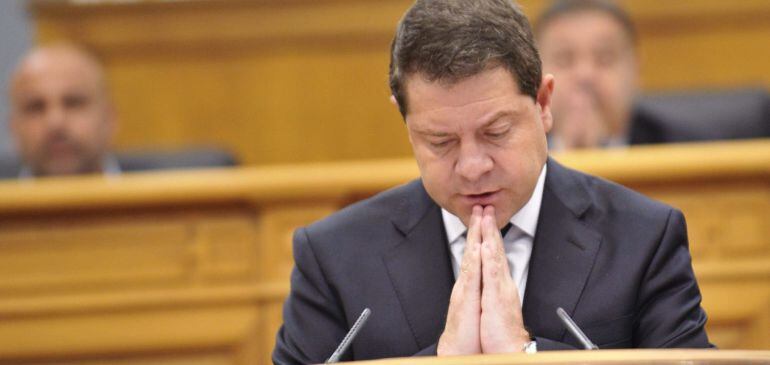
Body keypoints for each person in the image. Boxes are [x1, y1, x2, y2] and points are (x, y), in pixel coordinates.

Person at [273, 0, 711, 363]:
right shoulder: (334, 257)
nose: (472, 166)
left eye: (495, 132)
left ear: (542, 102)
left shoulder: (643, 238)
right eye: (439, 141)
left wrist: (526, 355)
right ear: (405, 121)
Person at [535, 0, 640, 150]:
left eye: (604, 58)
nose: (584, 75)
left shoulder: (680, 149)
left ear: (635, 68)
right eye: (564, 59)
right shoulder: (513, 157)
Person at [6, 43, 118, 178]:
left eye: (73, 103)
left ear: (109, 118)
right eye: (36, 107)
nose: (55, 122)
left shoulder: (150, 189)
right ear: (13, 127)